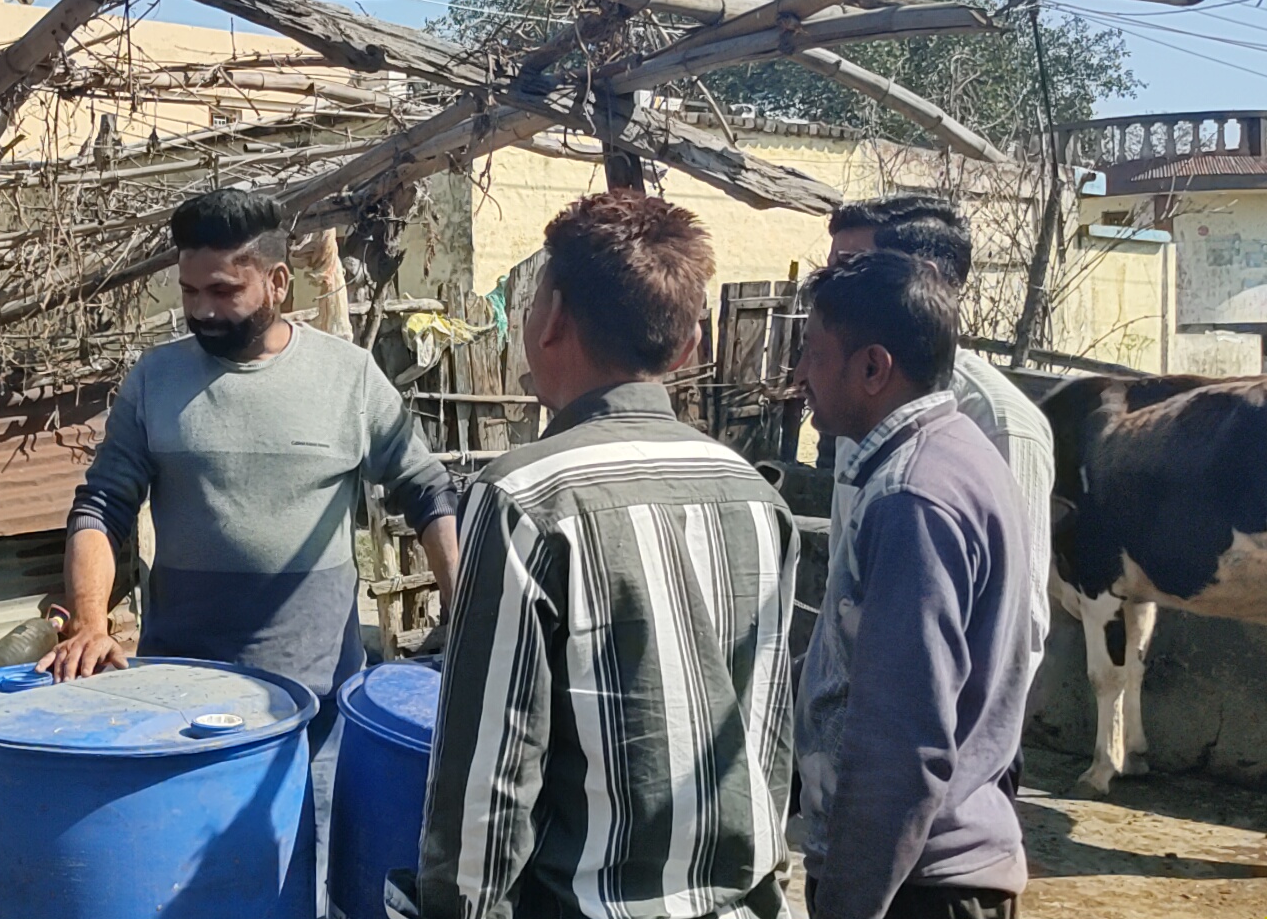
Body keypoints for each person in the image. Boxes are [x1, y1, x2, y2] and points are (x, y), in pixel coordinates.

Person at [396, 189, 799, 919]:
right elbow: (766, 734)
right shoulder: (754, 496)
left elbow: (490, 772)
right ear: (687, 347)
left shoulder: (525, 495)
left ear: (549, 320)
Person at [49, 188, 460, 901]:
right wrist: (90, 620)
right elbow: (102, 503)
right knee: (194, 894)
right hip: (182, 707)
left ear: (278, 282)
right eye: (188, 290)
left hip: (321, 711)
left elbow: (426, 492)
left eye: (223, 290)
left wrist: (464, 608)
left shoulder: (348, 378)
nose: (202, 308)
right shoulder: (156, 381)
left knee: (314, 886)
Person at [794, 251, 1031, 919]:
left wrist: (848, 902)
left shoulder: (911, 496)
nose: (801, 375)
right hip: (942, 866)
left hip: (917, 887)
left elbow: (903, 741)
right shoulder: (960, 454)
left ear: (872, 367)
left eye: (814, 353)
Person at [826, 195, 1054, 681]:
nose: (830, 289)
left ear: (923, 277)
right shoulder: (861, 403)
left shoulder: (998, 423)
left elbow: (1018, 629)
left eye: (851, 268)